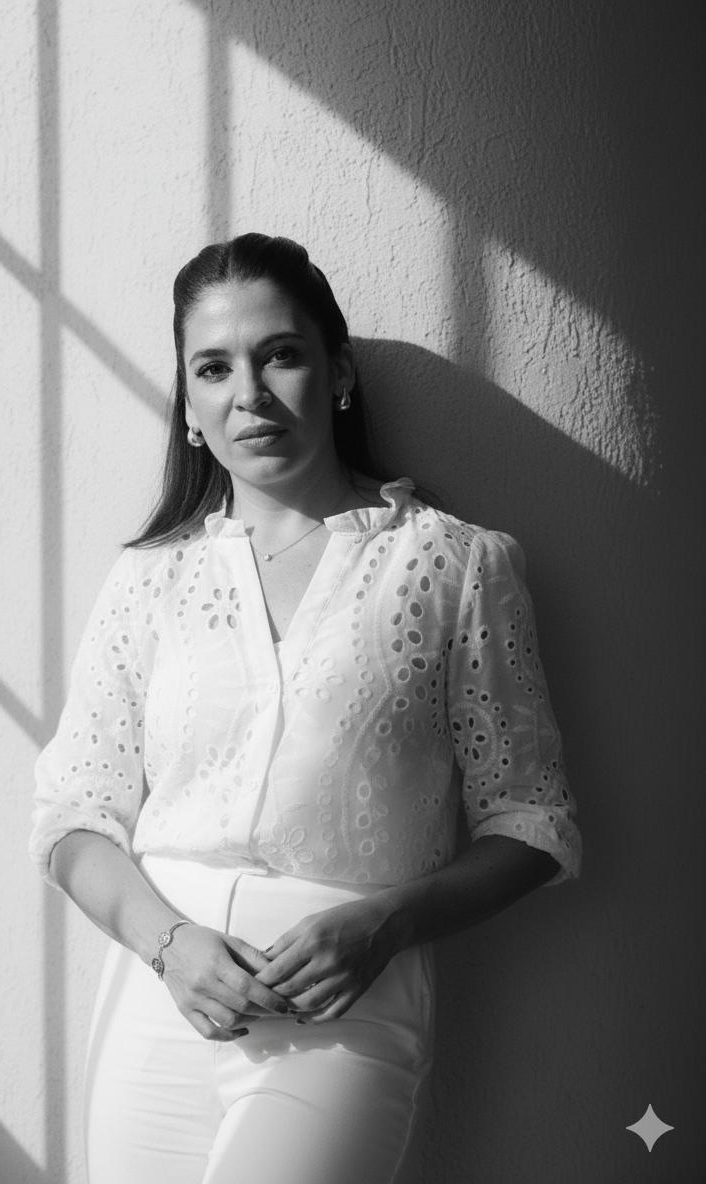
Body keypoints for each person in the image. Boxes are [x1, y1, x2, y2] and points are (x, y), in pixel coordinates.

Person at [29, 232, 582, 1184]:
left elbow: (535, 822)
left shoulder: (454, 564)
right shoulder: (150, 579)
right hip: (162, 996)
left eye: (279, 354)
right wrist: (169, 946)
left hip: (344, 1008)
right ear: (190, 407)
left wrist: (386, 925)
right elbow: (73, 816)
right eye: (213, 368)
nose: (248, 392)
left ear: (339, 372)